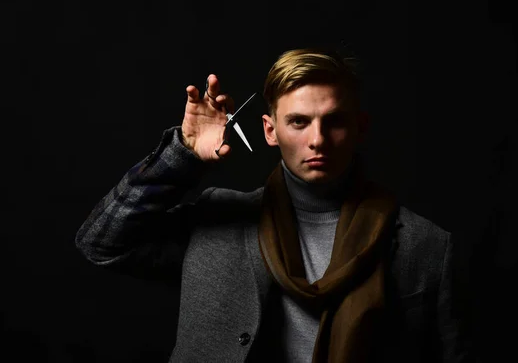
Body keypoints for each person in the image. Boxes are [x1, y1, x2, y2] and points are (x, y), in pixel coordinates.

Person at [75, 47, 473, 362]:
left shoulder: (427, 246)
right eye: (298, 122)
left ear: (359, 129)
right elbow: (102, 243)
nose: (317, 139)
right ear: (270, 131)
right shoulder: (219, 221)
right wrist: (182, 157)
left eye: (333, 121)